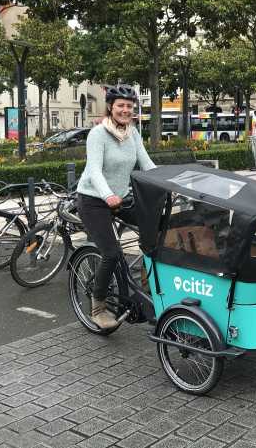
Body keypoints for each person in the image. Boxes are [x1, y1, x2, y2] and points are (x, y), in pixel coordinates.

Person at [76, 84, 156, 330]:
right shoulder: (98, 134)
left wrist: (170, 182)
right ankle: (98, 305)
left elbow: (147, 164)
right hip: (94, 200)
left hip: (121, 198)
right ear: (111, 107)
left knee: (156, 232)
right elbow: (94, 171)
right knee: (111, 253)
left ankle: (148, 285)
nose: (125, 110)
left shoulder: (133, 133)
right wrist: (108, 195)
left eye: (129, 106)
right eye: (121, 105)